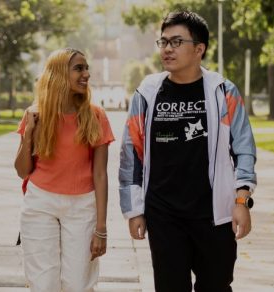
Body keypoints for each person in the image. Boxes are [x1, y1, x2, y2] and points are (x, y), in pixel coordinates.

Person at [117, 11, 257, 291]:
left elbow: (243, 149)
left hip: (214, 214)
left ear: (199, 49)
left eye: (177, 41)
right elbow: (131, 155)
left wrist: (242, 201)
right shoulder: (147, 93)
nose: (167, 49)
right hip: (164, 215)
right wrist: (134, 210)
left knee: (216, 286)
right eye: (163, 41)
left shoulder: (223, 91)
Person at [14, 48, 114, 292]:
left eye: (86, 68)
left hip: (83, 206)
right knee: (43, 284)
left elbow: (100, 175)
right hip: (40, 203)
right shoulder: (36, 115)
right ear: (59, 74)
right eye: (79, 68)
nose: (86, 74)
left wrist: (101, 228)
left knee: (78, 285)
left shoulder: (95, 115)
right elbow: (22, 170)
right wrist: (29, 134)